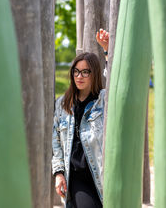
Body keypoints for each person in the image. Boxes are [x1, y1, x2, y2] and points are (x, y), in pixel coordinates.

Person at [52, 29, 109, 208]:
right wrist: (59, 173)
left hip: (101, 175)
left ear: (94, 74)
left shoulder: (103, 100)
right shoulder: (63, 104)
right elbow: (56, 143)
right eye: (76, 71)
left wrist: (107, 50)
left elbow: (117, 81)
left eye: (85, 72)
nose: (79, 76)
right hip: (76, 178)